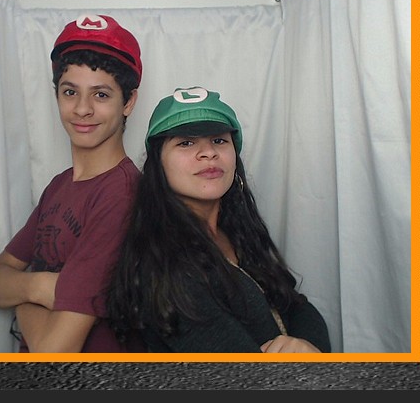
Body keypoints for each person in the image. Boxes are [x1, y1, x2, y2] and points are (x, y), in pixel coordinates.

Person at [105, 87, 329, 353]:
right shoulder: (163, 263)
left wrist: (305, 345)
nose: (208, 152)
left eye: (219, 140)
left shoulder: (238, 232)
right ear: (158, 165)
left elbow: (298, 306)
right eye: (186, 143)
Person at [0, 15, 143, 352]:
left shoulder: (122, 194)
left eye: (101, 94)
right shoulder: (60, 185)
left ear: (128, 102)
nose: (82, 109)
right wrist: (41, 287)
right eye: (70, 92)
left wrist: (20, 294)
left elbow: (54, 350)